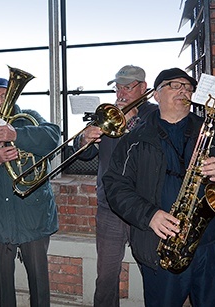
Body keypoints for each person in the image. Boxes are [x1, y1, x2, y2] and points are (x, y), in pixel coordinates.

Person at [102, 68, 215, 306]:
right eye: (175, 85)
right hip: (161, 247)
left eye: (188, 87)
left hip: (214, 247)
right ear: (156, 94)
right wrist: (149, 215)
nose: (184, 91)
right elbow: (115, 187)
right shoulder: (134, 138)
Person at [0, 77, 61, 306]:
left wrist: (16, 134)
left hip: (32, 213)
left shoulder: (30, 117)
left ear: (12, 96)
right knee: (3, 279)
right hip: (0, 215)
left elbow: (53, 137)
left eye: (3, 95)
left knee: (38, 278)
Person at [74, 65, 157, 307]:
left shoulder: (154, 114)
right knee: (107, 276)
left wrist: (132, 123)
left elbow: (155, 147)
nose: (121, 93)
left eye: (128, 87)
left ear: (143, 87)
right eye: (118, 87)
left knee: (153, 271)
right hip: (110, 207)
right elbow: (83, 156)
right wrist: (84, 140)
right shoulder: (107, 114)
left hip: (144, 207)